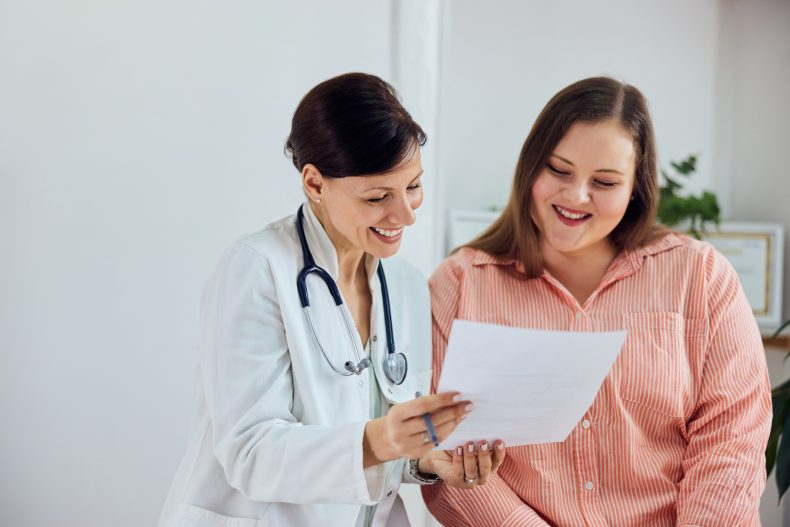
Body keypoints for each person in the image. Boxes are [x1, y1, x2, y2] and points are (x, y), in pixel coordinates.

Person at [158, 72, 505, 527]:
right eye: (379, 196)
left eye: (413, 187)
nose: (405, 215)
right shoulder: (257, 267)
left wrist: (425, 463)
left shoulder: (404, 286)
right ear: (315, 183)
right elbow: (250, 453)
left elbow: (386, 446)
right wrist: (385, 439)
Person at [422, 77, 771, 526]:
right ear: (530, 167)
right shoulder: (460, 285)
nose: (575, 196)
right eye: (558, 170)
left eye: (604, 181)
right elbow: (438, 448)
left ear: (635, 188)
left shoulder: (700, 277)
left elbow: (732, 438)